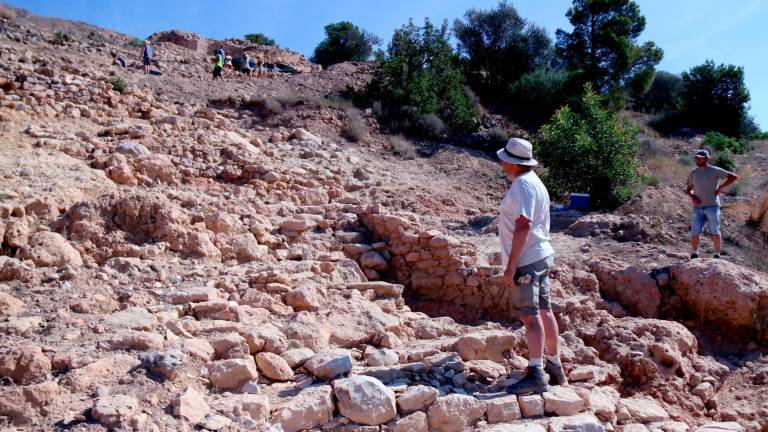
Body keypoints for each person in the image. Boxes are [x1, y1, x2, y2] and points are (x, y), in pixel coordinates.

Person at [497, 138, 568, 395]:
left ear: (512, 163)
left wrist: (511, 266)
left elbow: (524, 224)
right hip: (541, 254)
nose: (502, 163)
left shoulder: (522, 185)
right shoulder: (536, 182)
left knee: (530, 315)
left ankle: (536, 372)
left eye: (504, 159)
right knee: (545, 310)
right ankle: (555, 365)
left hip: (526, 259)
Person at [686, 149, 738, 259]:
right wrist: (693, 196)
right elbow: (688, 189)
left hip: (712, 206)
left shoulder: (714, 170)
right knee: (695, 231)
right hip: (697, 207)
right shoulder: (693, 173)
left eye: (700, 158)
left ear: (707, 158)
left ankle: (717, 256)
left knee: (715, 230)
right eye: (696, 158)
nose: (698, 160)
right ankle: (695, 253)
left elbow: (733, 177)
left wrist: (721, 187)